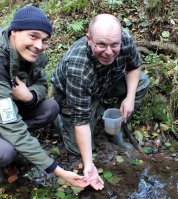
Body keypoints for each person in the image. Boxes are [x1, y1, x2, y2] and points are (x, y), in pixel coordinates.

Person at [0, 6, 98, 189]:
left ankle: (9, 141)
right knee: (3, 152)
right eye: (33, 36)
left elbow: (42, 84)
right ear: (14, 32)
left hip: (5, 109)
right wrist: (58, 171)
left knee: (50, 107)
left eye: (44, 40)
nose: (39, 45)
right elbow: (11, 124)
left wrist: (29, 96)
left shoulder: (30, 53)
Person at [51, 14, 150, 190]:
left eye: (114, 45)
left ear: (120, 37)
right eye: (101, 45)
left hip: (105, 82)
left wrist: (130, 98)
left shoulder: (124, 39)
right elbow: (81, 121)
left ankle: (115, 125)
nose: (109, 51)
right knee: (78, 149)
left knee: (141, 81)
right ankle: (61, 120)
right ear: (89, 39)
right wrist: (89, 165)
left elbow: (134, 67)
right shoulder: (78, 66)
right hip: (71, 95)